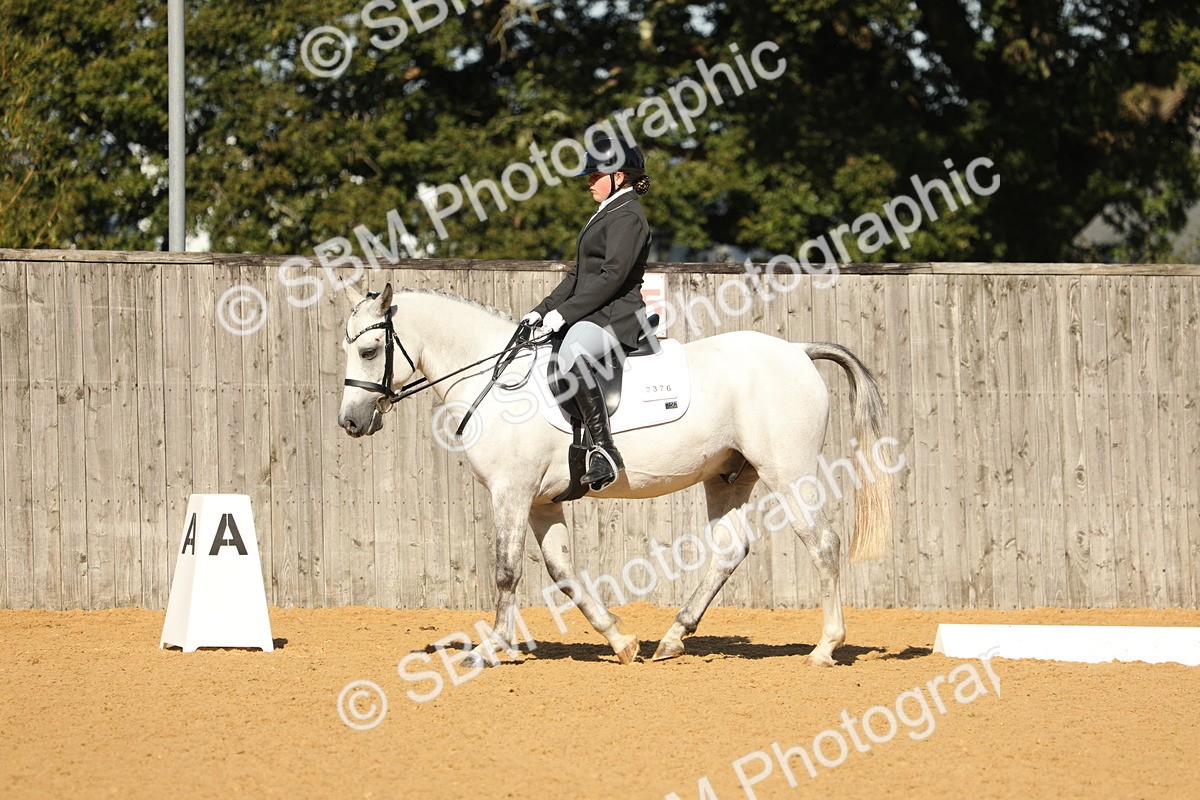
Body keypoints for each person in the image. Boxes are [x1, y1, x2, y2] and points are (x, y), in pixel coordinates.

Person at [522, 136, 652, 491]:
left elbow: (612, 277)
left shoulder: (628, 216)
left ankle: (605, 450)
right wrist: (540, 311)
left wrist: (565, 314)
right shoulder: (608, 211)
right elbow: (578, 275)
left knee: (572, 354)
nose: (589, 181)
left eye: (596, 175)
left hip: (616, 314)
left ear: (620, 176)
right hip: (593, 310)